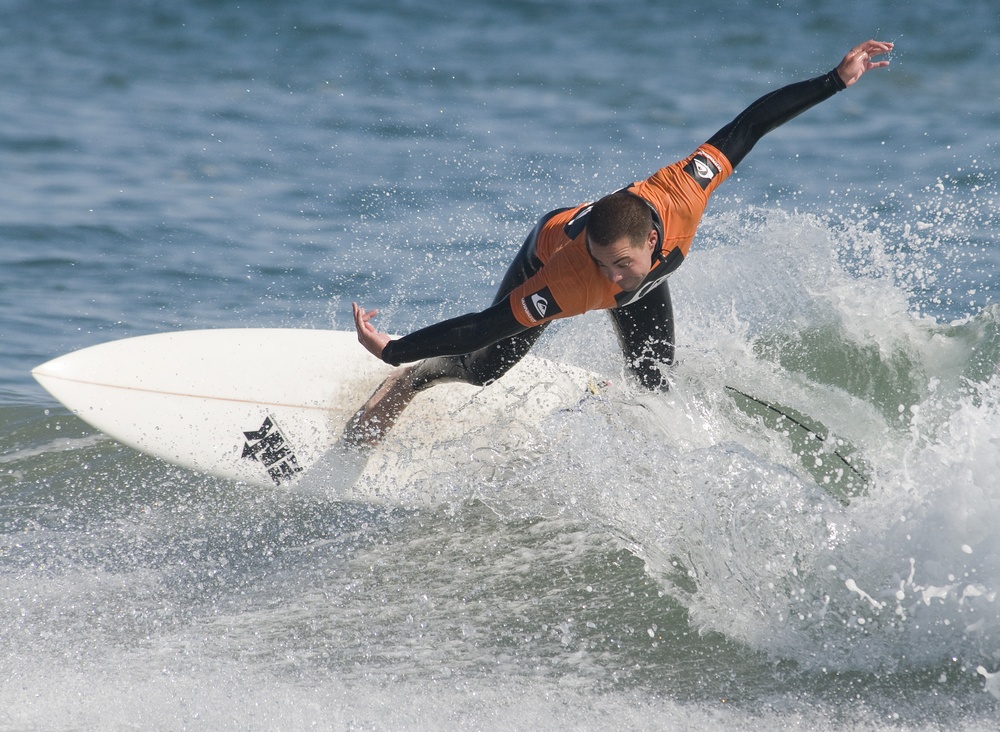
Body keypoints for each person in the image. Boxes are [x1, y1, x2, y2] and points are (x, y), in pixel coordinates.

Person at [347, 40, 893, 445]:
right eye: (604, 266)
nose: (611, 278)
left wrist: (835, 80)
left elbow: (749, 125)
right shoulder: (568, 279)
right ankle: (412, 382)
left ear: (654, 239)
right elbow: (482, 326)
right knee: (484, 366)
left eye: (621, 265)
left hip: (641, 270)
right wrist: (395, 349)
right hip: (547, 247)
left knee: (655, 384)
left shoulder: (684, 189)